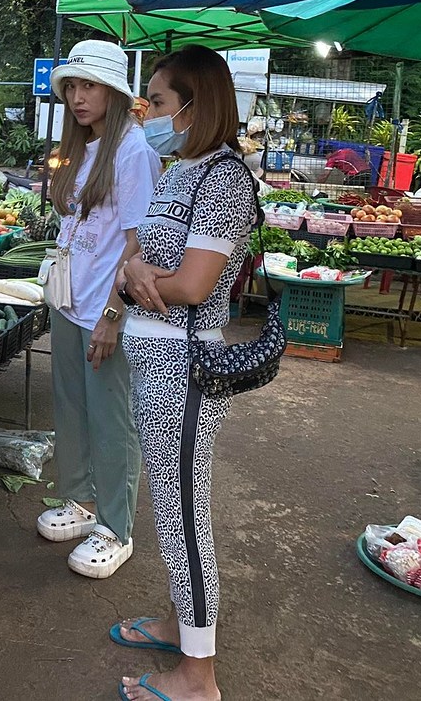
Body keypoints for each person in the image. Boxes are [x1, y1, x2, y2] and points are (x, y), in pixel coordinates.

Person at [112, 45, 257, 701]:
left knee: (182, 516)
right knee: (168, 508)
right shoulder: (180, 169)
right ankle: (179, 623)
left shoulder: (224, 178)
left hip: (185, 372)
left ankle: (199, 677)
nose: (148, 112)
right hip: (154, 362)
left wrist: (141, 273)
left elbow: (195, 285)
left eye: (160, 102)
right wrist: (137, 270)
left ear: (197, 106)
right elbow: (135, 252)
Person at [39, 40, 161, 579]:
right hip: (70, 298)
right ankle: (80, 500)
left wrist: (113, 313)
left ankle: (117, 526)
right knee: (70, 406)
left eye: (90, 86)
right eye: (72, 87)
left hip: (104, 308)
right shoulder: (84, 148)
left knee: (112, 419)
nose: (78, 97)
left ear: (114, 92)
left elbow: (140, 246)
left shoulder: (135, 153)